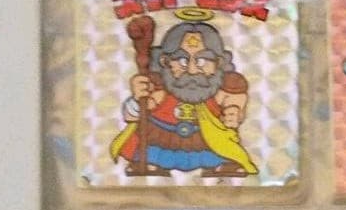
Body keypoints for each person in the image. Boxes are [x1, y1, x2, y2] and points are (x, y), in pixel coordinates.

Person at [110, 21, 258, 177]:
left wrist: (233, 113)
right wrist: (137, 99)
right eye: (182, 61)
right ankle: (149, 163)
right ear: (165, 61)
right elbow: (133, 116)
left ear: (218, 63)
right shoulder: (156, 86)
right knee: (149, 152)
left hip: (206, 143)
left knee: (221, 149)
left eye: (202, 61)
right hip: (162, 140)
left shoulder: (225, 87)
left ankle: (221, 163)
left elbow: (236, 106)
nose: (192, 70)